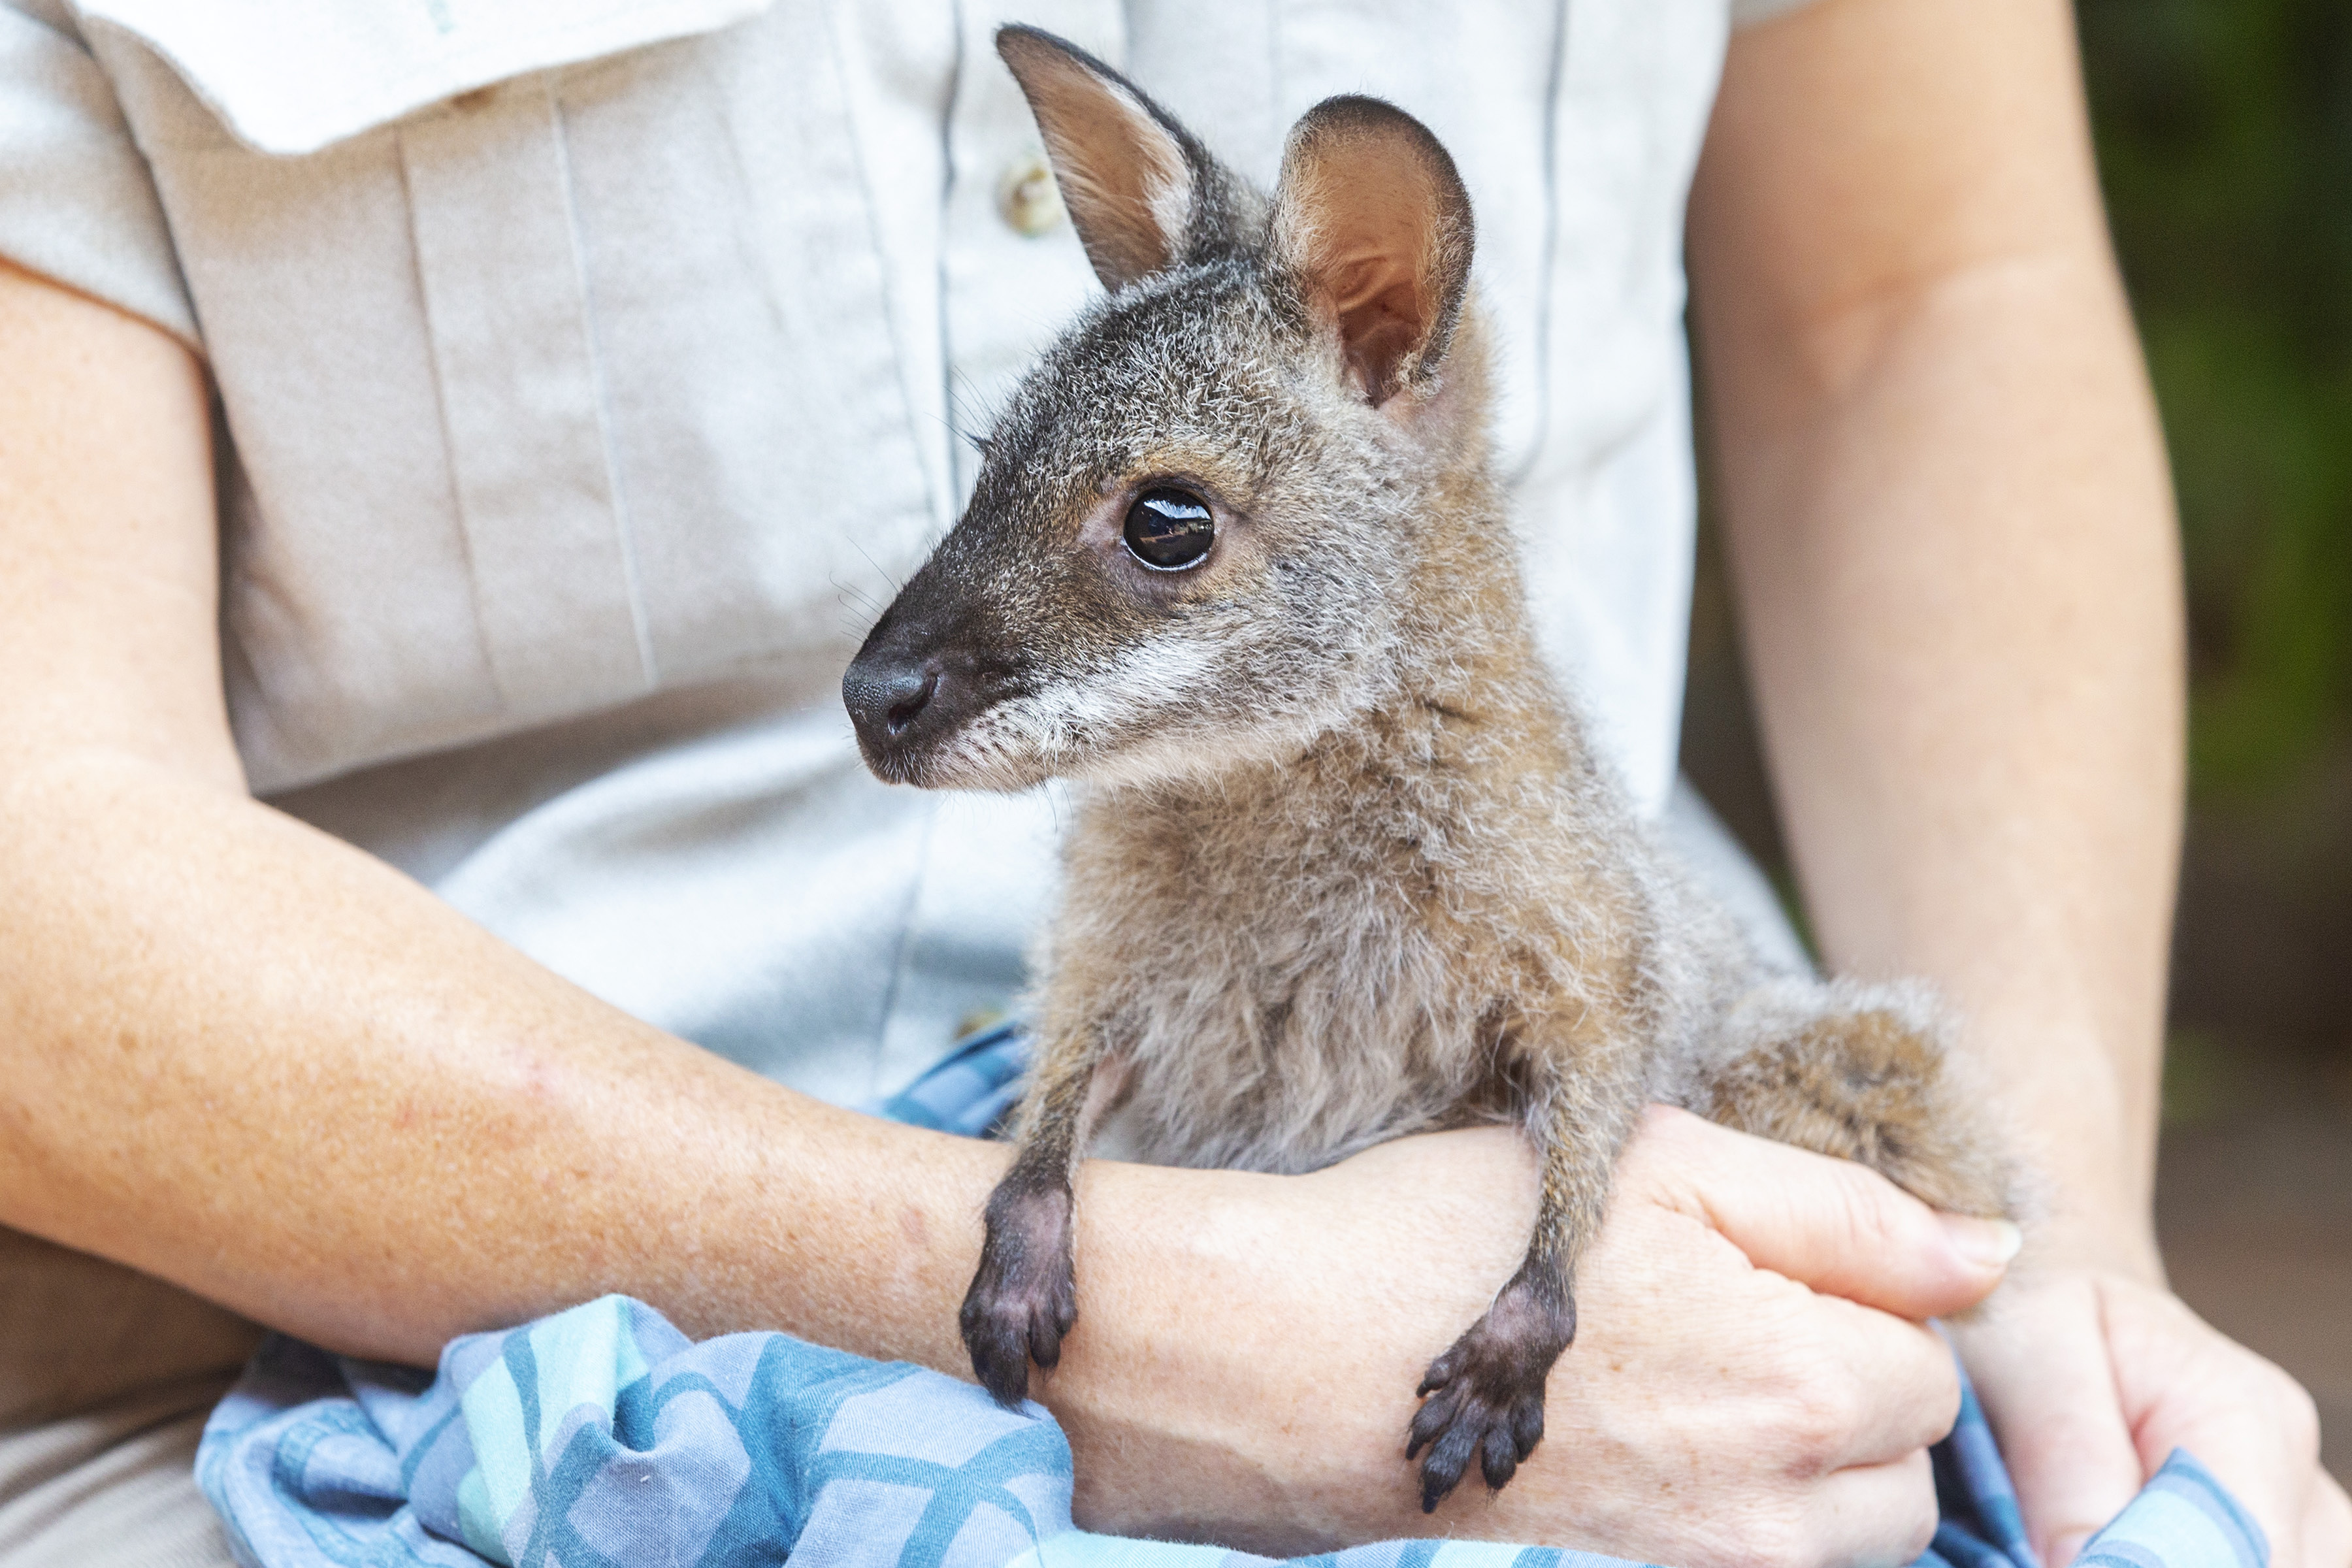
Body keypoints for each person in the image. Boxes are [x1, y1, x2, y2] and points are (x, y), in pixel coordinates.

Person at [0, 1, 2341, 1566]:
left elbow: (1916, 299)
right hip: (438, 1301)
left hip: (1650, 1257)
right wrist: (1156, 1324)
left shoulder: (1359, 416)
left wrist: (2046, 1256)